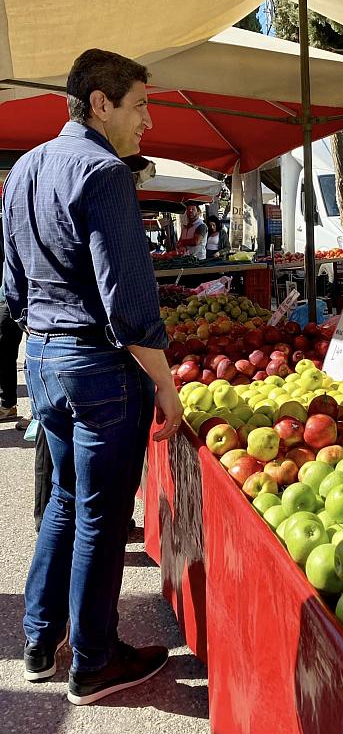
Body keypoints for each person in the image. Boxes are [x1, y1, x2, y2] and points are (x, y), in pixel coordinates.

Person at [2, 48, 183, 705]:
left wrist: (32, 349)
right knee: (100, 517)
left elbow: (10, 288)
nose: (150, 122)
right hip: (98, 366)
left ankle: (38, 641)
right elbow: (130, 301)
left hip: (43, 359)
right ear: (100, 103)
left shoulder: (24, 169)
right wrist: (164, 380)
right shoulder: (104, 171)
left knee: (64, 502)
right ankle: (94, 661)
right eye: (141, 105)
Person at [0, 214, 24, 423]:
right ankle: (7, 404)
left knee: (5, 353)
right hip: (10, 298)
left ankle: (7, 404)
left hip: (8, 299)